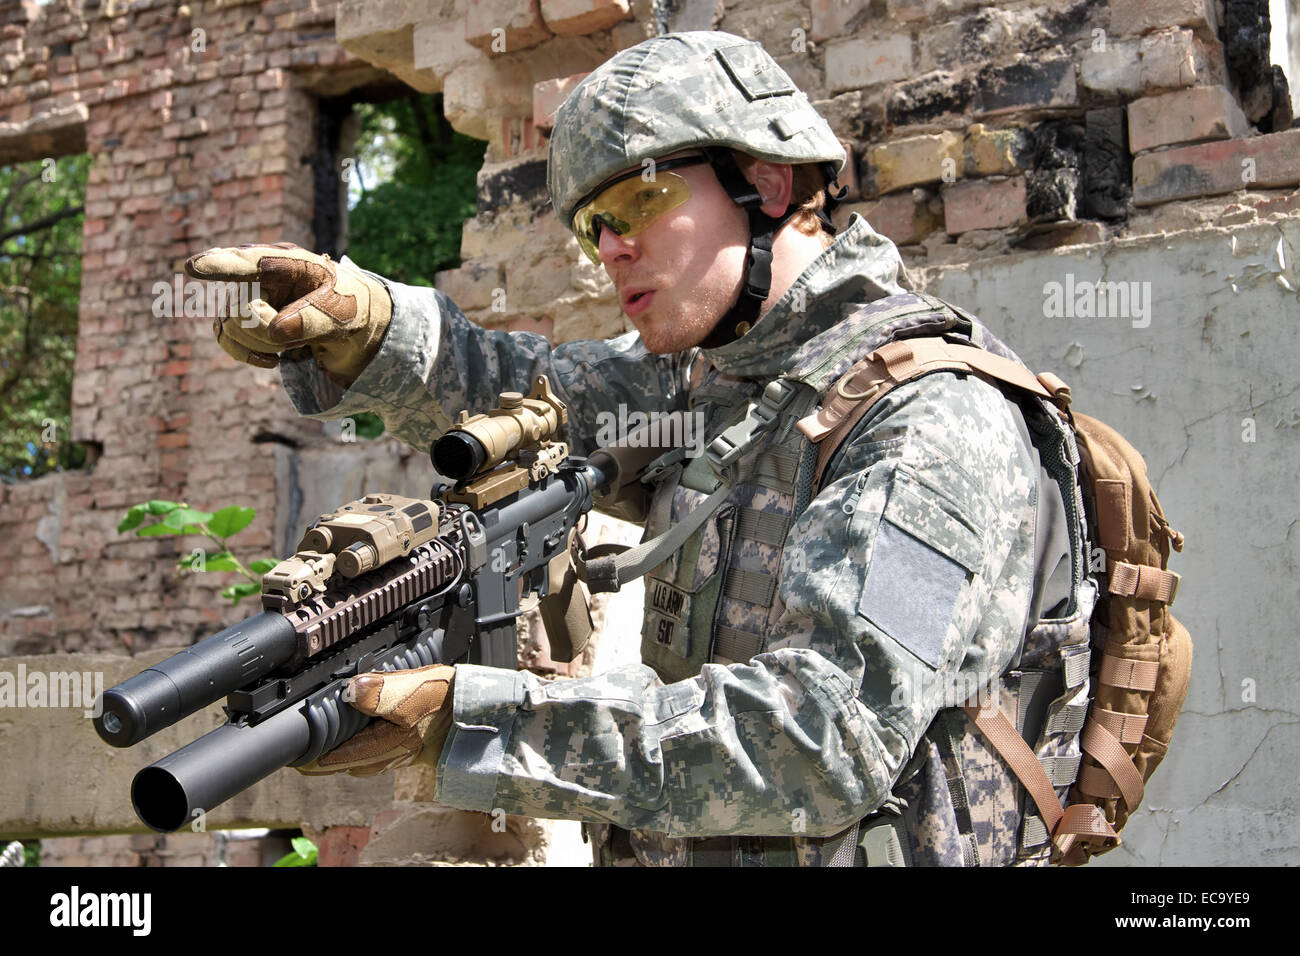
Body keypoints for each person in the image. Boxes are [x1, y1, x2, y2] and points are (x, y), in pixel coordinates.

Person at [187, 31, 1082, 866]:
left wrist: (474, 721)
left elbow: (825, 739)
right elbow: (529, 393)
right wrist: (363, 324)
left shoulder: (934, 422)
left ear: (766, 188)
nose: (612, 248)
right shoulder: (713, 385)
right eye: (592, 226)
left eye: (639, 198)